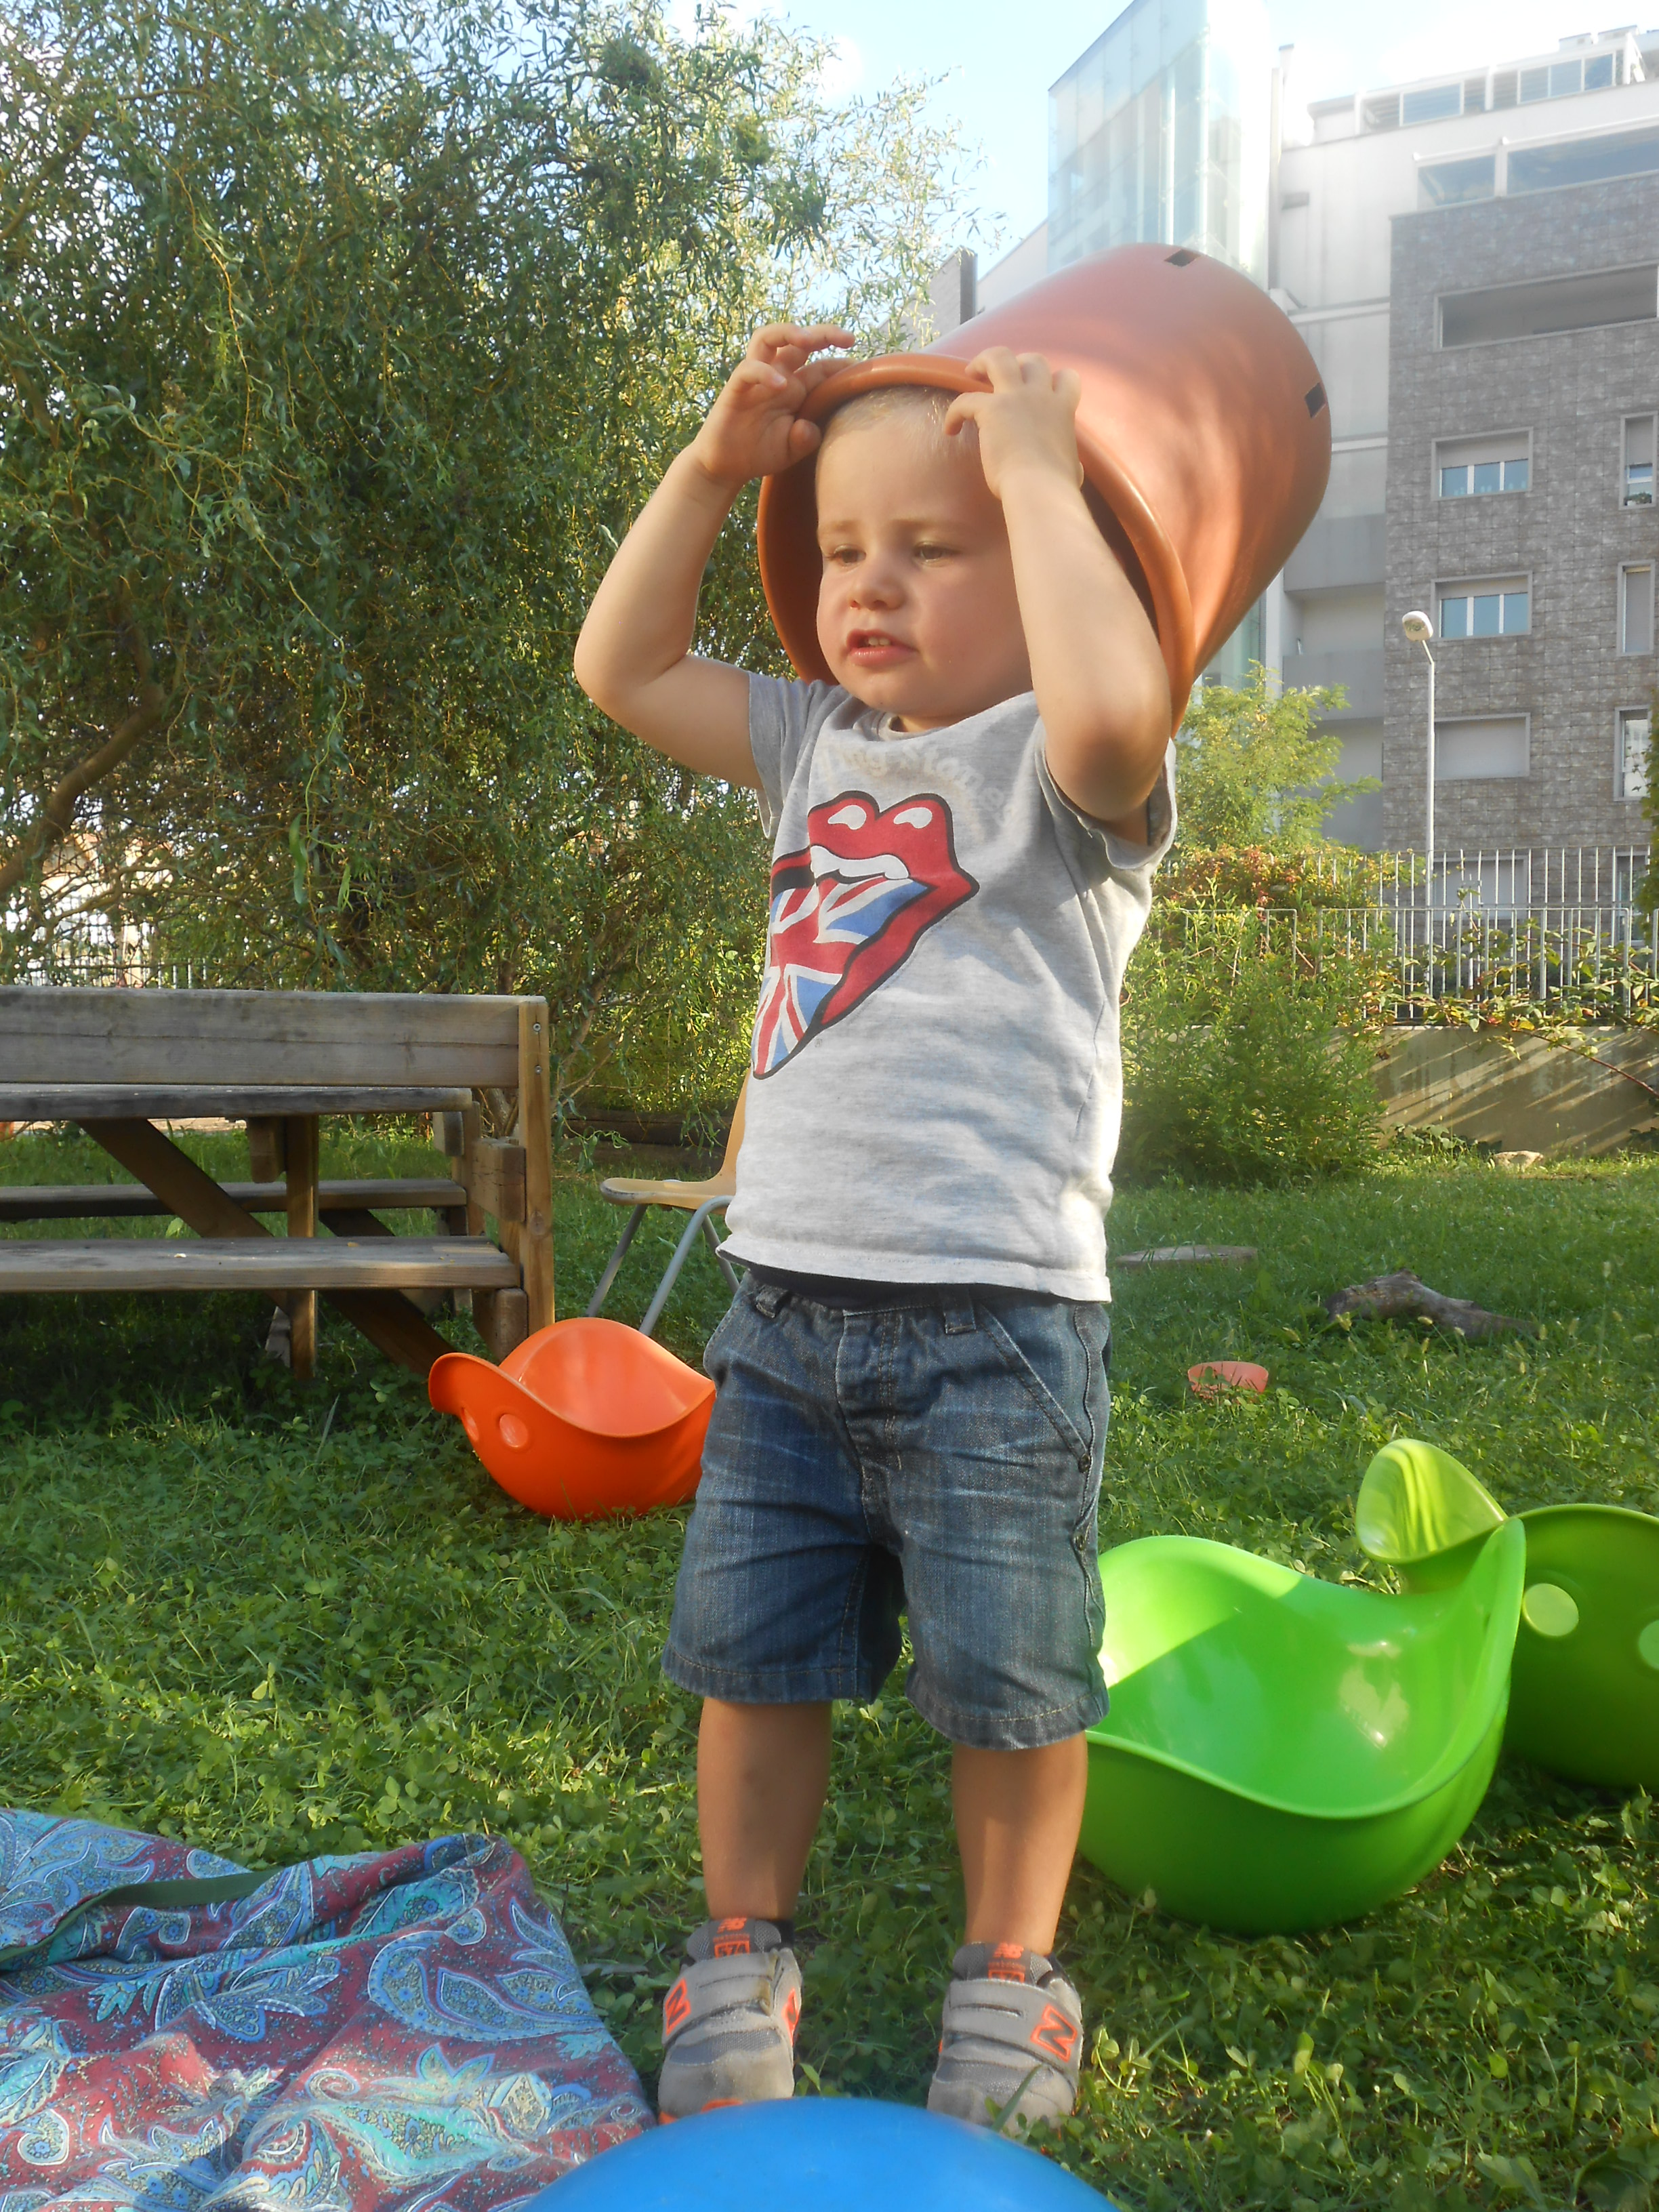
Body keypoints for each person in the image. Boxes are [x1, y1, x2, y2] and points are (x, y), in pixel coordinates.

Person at [573, 321, 1174, 2131]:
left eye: (935, 543)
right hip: (780, 1319)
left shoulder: (1066, 776)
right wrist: (712, 469)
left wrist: (1048, 473)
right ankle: (738, 1947)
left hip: (997, 1329)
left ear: (1050, 565)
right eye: (841, 548)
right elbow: (622, 667)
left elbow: (1118, 708)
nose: (870, 585)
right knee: (753, 1665)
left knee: (1010, 1683)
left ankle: (1010, 1973)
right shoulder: (810, 744)